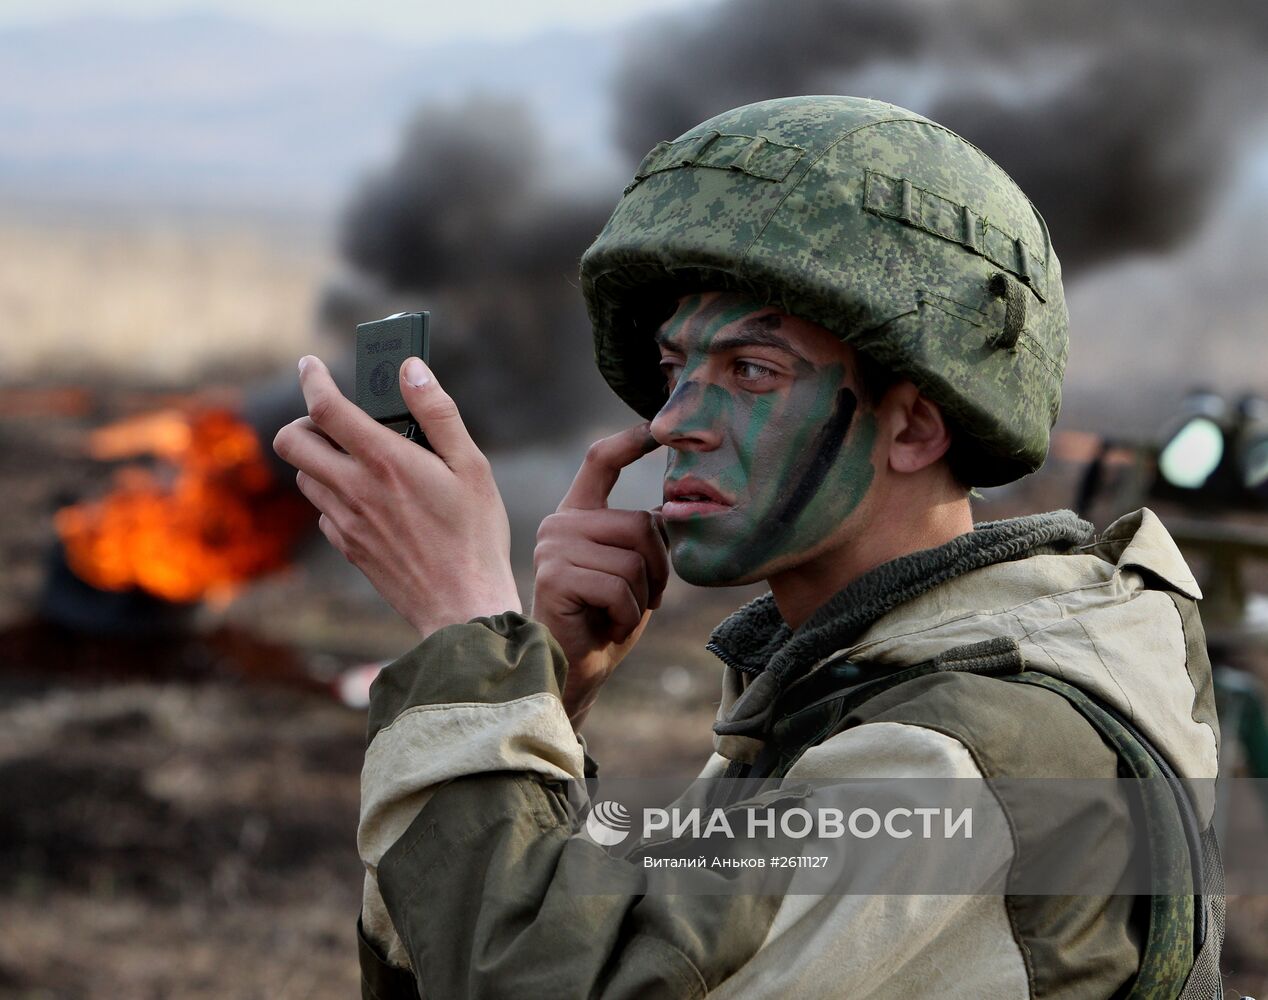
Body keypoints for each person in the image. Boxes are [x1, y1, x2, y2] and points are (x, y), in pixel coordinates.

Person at [273, 96, 1224, 998]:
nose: (674, 421)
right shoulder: (854, 690)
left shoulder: (960, 758)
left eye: (752, 370)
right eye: (674, 367)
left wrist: (468, 628)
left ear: (915, 429)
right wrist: (547, 695)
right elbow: (500, 959)